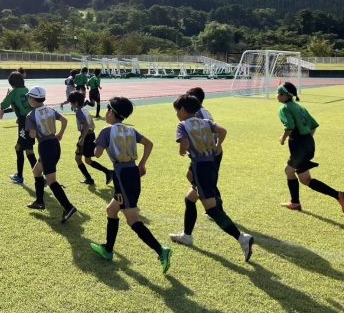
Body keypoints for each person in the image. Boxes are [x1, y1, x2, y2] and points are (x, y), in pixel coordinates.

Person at [89, 97, 172, 273]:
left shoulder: (106, 131)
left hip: (122, 175)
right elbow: (149, 144)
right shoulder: (130, 130)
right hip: (132, 172)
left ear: (111, 112)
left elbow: (96, 154)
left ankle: (161, 250)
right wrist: (142, 164)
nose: (105, 113)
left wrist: (92, 142)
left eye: (107, 109)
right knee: (112, 210)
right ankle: (108, 250)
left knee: (132, 219)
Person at [169, 94, 254, 262]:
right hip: (211, 164)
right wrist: (217, 145)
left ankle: (242, 238)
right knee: (190, 198)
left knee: (211, 209)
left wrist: (181, 150)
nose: (177, 114)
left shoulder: (182, 125)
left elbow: (184, 143)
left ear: (183, 110)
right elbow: (222, 131)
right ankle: (187, 235)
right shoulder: (206, 122)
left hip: (200, 168)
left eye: (177, 111)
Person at [276, 82, 344, 213]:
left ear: (284, 95)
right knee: (305, 179)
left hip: (298, 146)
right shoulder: (300, 107)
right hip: (309, 143)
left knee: (288, 171)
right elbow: (314, 125)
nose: (277, 96)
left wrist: (283, 138)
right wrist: (307, 140)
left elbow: (289, 127)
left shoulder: (284, 108)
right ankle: (338, 195)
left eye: (278, 93)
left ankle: (295, 203)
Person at [25, 86, 77, 223]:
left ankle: (68, 207)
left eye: (29, 97)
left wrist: (31, 133)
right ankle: (40, 202)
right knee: (37, 171)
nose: (28, 99)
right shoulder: (50, 109)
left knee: (51, 181)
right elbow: (65, 120)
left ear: (32, 99)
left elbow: (33, 134)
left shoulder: (30, 115)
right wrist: (60, 134)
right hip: (55, 144)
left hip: (45, 147)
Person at [0, 71, 37, 184]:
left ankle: (19, 176)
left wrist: (7, 95)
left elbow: (3, 105)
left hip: (23, 123)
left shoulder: (14, 92)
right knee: (29, 150)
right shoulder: (27, 90)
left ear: (11, 83)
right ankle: (39, 176)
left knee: (18, 147)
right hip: (32, 121)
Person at [68, 91, 113, 186]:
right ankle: (106, 173)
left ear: (75, 103)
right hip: (90, 135)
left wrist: (82, 139)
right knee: (87, 160)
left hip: (86, 136)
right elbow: (91, 124)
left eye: (71, 102)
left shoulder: (79, 112)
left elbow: (86, 125)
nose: (70, 104)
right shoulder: (84, 109)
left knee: (78, 158)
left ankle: (92, 178)